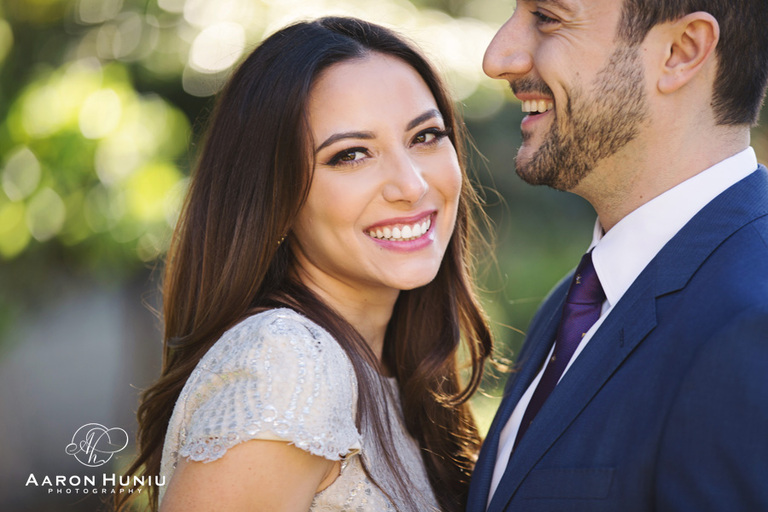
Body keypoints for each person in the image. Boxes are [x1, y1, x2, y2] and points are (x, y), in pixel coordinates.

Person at [114, 16, 494, 512]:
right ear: (275, 196)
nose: (413, 186)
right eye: (352, 154)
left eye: (425, 136)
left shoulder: (393, 371)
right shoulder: (287, 364)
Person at [467, 0, 768, 511]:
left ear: (681, 51)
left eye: (548, 17)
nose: (498, 58)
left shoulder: (751, 322)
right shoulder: (579, 298)